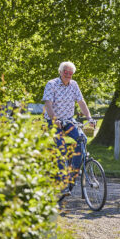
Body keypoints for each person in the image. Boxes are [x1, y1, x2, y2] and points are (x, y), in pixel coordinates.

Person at [42, 61, 95, 196]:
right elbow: (48, 104)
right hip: (53, 121)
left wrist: (89, 118)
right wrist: (55, 119)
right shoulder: (51, 84)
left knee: (82, 139)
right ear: (60, 72)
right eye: (66, 72)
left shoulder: (74, 85)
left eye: (70, 73)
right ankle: (63, 181)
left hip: (69, 121)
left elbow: (81, 102)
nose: (68, 75)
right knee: (61, 147)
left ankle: (72, 174)